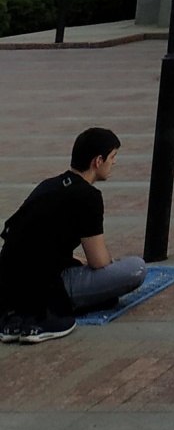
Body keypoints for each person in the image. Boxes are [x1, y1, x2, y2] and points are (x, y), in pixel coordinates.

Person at [0, 126, 145, 343]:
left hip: (8, 281)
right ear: (98, 161)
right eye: (113, 157)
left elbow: (29, 238)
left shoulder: (49, 185)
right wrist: (106, 264)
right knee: (136, 268)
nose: (114, 162)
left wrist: (72, 259)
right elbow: (98, 261)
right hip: (48, 286)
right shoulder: (89, 197)